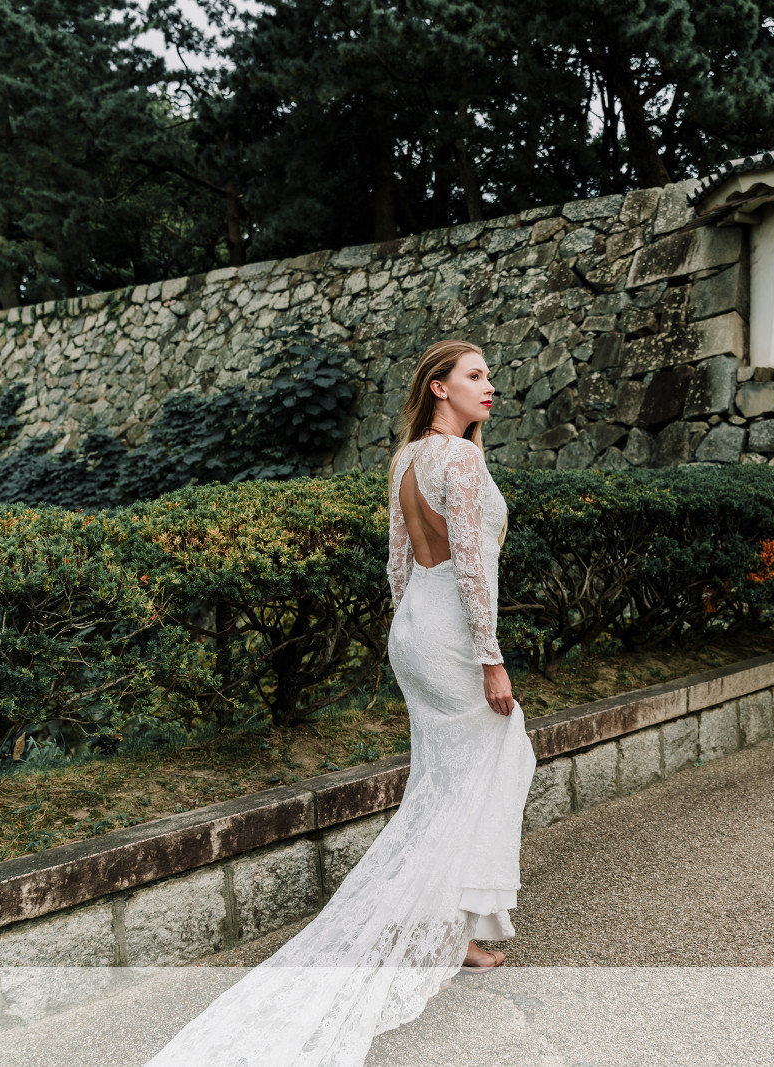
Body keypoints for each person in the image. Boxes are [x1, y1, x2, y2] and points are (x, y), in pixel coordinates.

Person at [145, 340, 537, 1067]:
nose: (491, 386)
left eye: (490, 375)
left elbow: (397, 561)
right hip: (452, 630)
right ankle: (444, 933)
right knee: (493, 762)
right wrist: (491, 657)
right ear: (439, 386)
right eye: (476, 375)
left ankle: (460, 933)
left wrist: (408, 632)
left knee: (446, 780)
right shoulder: (459, 458)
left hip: (415, 627)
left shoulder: (406, 458)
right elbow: (472, 567)